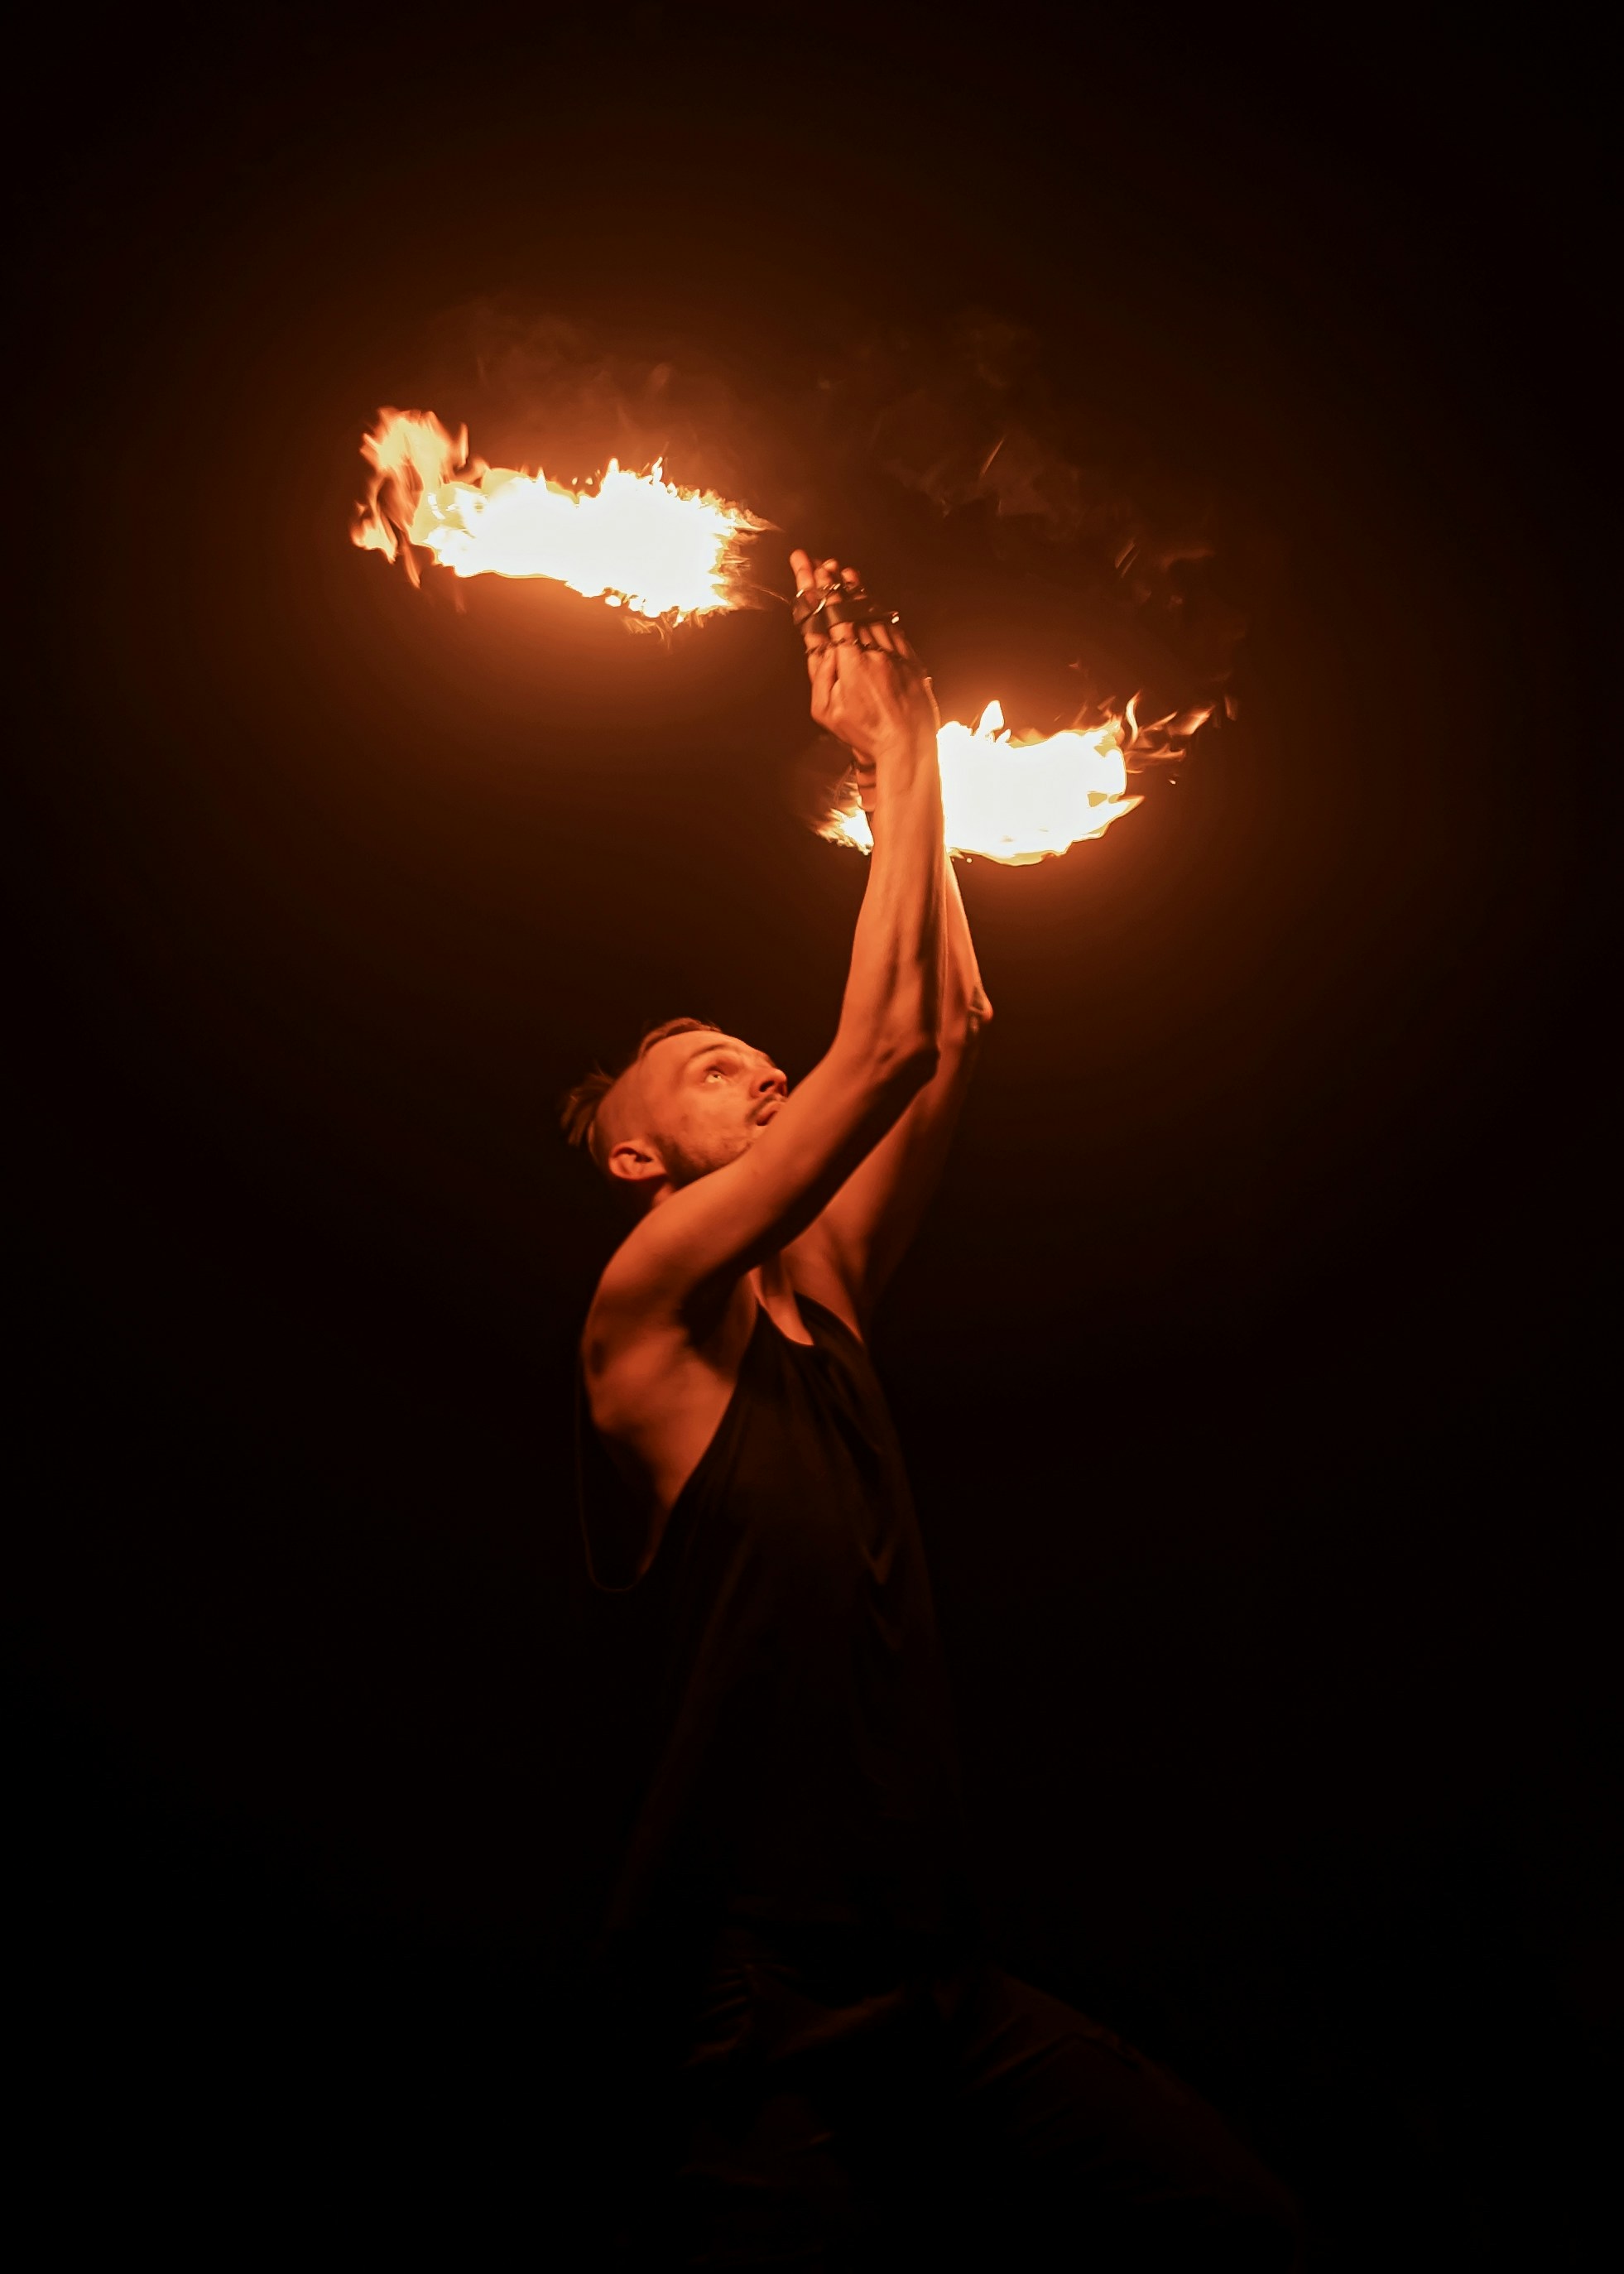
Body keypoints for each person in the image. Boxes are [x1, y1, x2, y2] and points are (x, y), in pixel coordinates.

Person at [563, 552, 1300, 2267]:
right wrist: (895, 743)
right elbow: (879, 1044)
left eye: (761, 1049)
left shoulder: (821, 1294)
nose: (756, 1063)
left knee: (1256, 2239)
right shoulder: (648, 1315)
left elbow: (948, 1025)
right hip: (759, 2005)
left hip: (934, 1972)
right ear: (634, 1153)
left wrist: (910, 750)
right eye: (707, 1064)